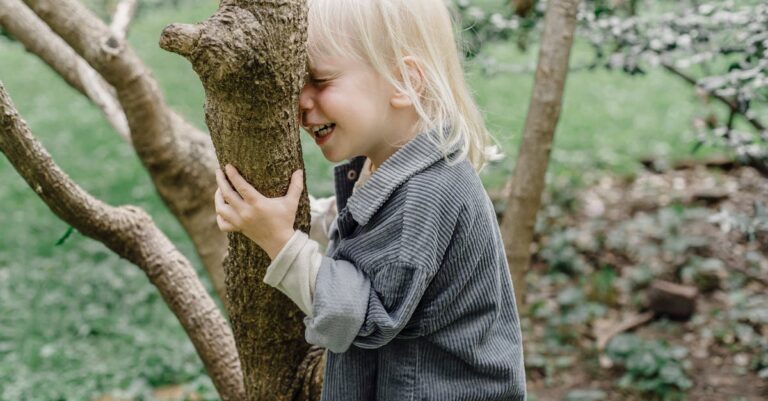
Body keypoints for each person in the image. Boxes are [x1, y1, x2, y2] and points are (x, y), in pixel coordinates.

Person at [212, 0, 527, 399]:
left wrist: (280, 241)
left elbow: (359, 317)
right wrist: (305, 218)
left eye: (321, 81)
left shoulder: (425, 194)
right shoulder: (392, 163)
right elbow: (370, 236)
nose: (301, 103)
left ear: (405, 82)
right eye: (298, 83)